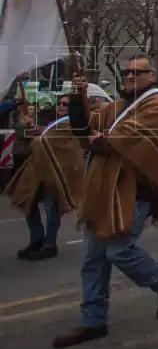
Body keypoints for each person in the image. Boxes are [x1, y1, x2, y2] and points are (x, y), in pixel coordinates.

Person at [53, 56, 158, 349]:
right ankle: (93, 320)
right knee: (92, 259)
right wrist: (78, 98)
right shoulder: (118, 107)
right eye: (126, 72)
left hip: (134, 191)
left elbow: (114, 142)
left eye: (136, 72)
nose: (129, 76)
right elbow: (84, 131)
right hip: (102, 189)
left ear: (152, 75)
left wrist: (100, 139)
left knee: (118, 250)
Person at [6, 92, 92, 261]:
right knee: (28, 204)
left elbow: (45, 141)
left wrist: (37, 135)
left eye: (65, 104)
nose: (60, 106)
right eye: (59, 103)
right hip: (41, 172)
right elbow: (42, 136)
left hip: (59, 173)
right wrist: (32, 128)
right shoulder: (54, 123)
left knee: (52, 208)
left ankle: (50, 244)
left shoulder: (72, 124)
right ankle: (36, 239)